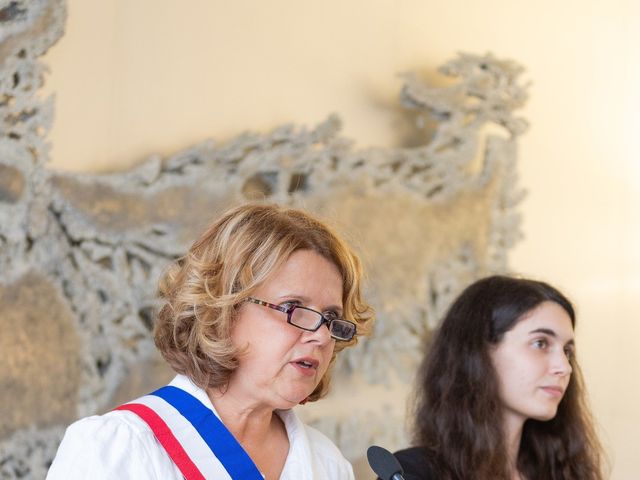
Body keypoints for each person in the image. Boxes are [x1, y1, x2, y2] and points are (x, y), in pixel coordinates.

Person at [47, 203, 373, 479]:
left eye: (331, 318)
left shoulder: (328, 465)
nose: (320, 335)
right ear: (222, 308)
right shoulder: (120, 448)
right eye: (292, 308)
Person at [394, 275, 604, 480]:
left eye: (567, 351)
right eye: (540, 343)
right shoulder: (413, 472)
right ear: (479, 353)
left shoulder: (563, 472)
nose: (565, 367)